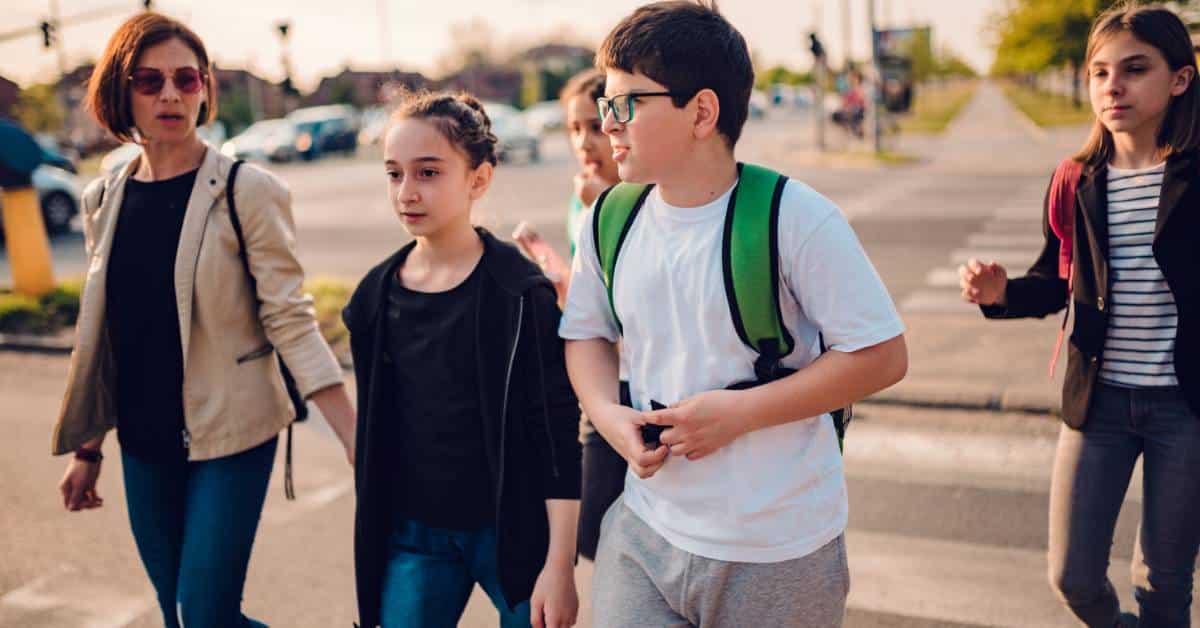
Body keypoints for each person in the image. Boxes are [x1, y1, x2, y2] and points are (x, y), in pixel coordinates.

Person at [559, 2, 908, 626]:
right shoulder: (607, 219)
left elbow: (882, 355)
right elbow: (585, 334)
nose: (607, 122)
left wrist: (738, 415)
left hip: (778, 549)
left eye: (626, 103)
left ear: (702, 112)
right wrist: (608, 416)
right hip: (643, 531)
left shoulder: (795, 217)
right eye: (606, 104)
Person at [52, 12, 355, 628]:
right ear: (121, 93)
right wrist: (89, 448)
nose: (170, 94)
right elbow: (109, 335)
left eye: (186, 79)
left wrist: (357, 440)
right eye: (150, 81)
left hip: (233, 433)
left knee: (206, 615)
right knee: (177, 615)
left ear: (204, 88)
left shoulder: (248, 190)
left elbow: (291, 320)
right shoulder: (102, 198)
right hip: (144, 439)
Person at [960, 5, 1200, 626]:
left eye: (1135, 69)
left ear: (1180, 78)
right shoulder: (1076, 180)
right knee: (1072, 576)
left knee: (1164, 584)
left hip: (1186, 407)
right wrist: (999, 293)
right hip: (1100, 401)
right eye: (1099, 72)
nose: (1113, 86)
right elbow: (1056, 282)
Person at [341, 90, 582, 628]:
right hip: (415, 535)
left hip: (513, 531)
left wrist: (559, 566)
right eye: (394, 174)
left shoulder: (520, 293)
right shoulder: (374, 297)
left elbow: (556, 434)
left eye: (428, 173)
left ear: (479, 179)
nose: (407, 191)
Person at [515, 68, 626, 563]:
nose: (584, 141)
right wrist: (552, 271)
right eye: (574, 129)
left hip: (647, 385)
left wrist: (604, 205)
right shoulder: (580, 198)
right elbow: (589, 293)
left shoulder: (644, 194)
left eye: (595, 126)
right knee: (594, 532)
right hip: (600, 380)